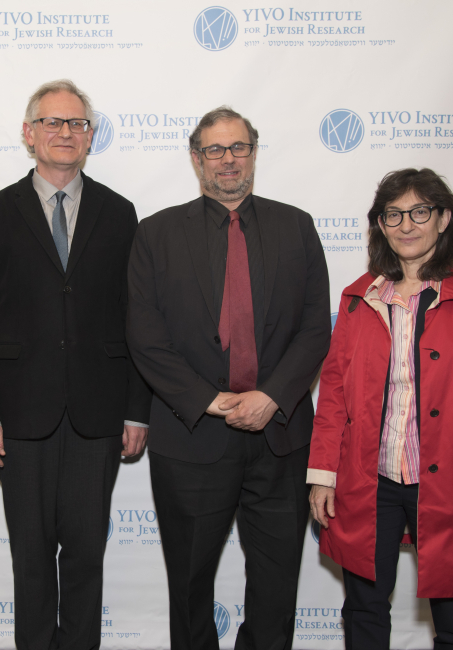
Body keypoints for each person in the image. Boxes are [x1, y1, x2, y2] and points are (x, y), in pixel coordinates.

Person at [0, 79, 152, 650]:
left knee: (88, 554)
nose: (65, 132)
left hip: (99, 414)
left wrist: (137, 410)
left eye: (77, 123)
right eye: (52, 122)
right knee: (32, 556)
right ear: (29, 133)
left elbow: (137, 319)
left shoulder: (120, 213)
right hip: (19, 416)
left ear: (90, 136)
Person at [126, 106, 331, 650]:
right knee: (189, 584)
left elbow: (316, 327)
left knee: (276, 584)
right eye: (215, 149)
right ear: (196, 159)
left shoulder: (297, 226)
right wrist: (211, 401)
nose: (228, 159)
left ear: (254, 152)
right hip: (191, 436)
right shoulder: (156, 233)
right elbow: (145, 336)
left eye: (239, 147)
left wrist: (273, 396)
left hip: (280, 436)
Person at [308, 168, 453, 648]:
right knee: (363, 607)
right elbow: (335, 393)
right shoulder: (359, 298)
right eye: (393, 214)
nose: (406, 225)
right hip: (371, 478)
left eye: (419, 212)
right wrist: (323, 474)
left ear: (443, 219)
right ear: (381, 225)